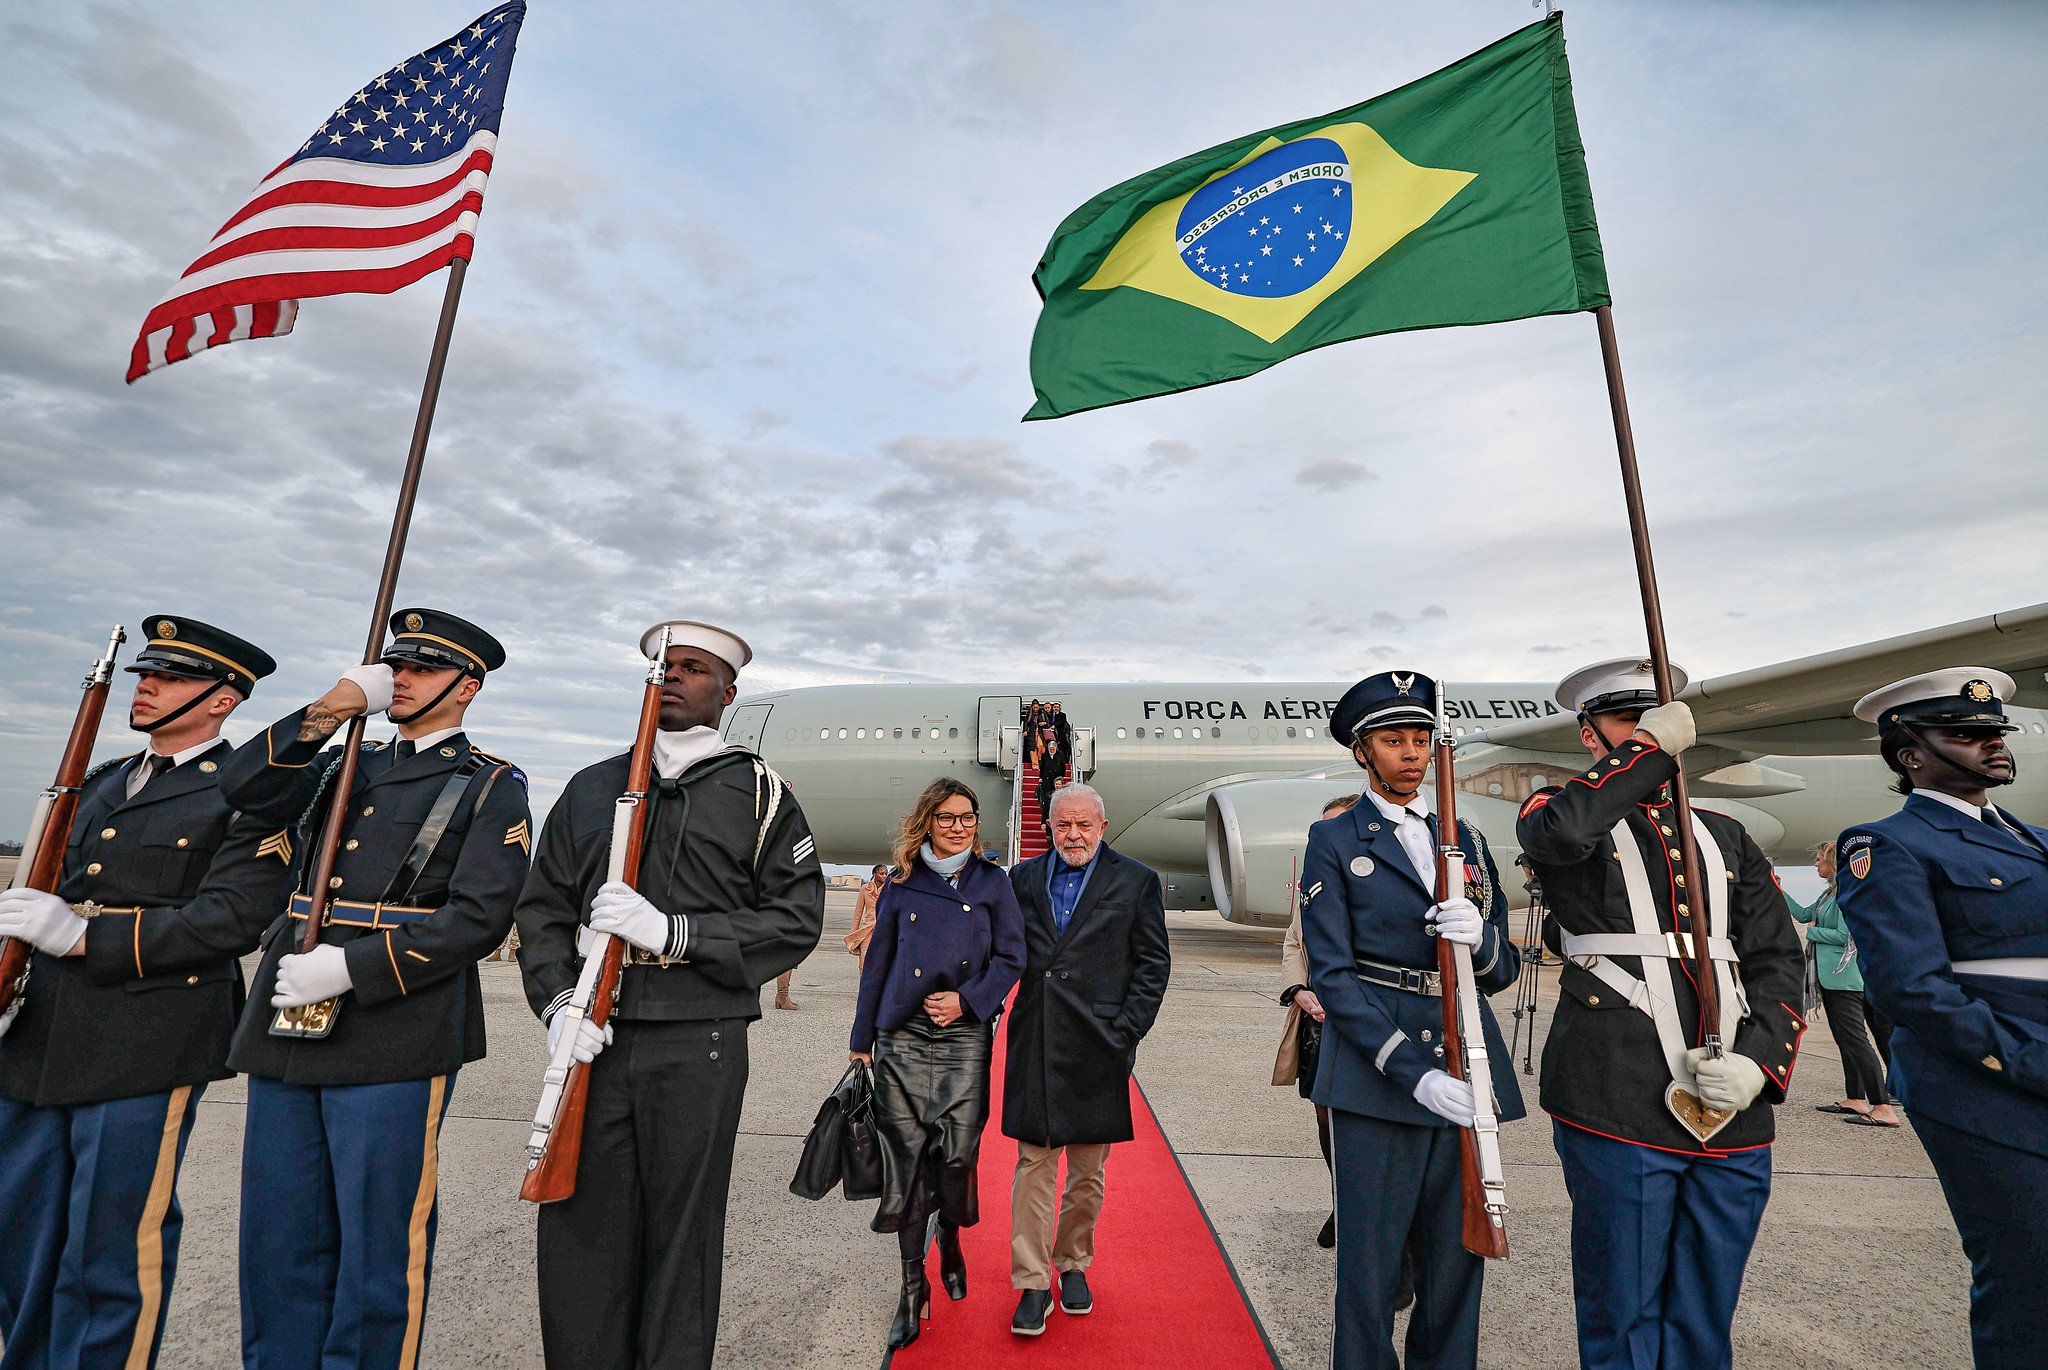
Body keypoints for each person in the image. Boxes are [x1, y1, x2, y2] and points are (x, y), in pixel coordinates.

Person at [216, 607, 530, 1370]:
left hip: (395, 1025)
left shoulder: (491, 785)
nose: (400, 678)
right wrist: (328, 711)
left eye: (420, 667)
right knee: (278, 1236)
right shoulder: (339, 759)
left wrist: (352, 968)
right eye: (394, 666)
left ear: (467, 687)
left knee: (374, 1244)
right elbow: (243, 790)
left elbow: (479, 919)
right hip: (288, 1010)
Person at [514, 620, 824, 1370]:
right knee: (580, 1231)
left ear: (729, 691)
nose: (674, 677)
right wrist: (558, 1004)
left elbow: (795, 918)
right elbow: (542, 909)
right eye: (664, 667)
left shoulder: (760, 793)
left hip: (700, 1037)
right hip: (597, 1033)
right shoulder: (594, 787)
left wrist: (675, 932)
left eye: (693, 668)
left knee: (681, 1237)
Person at [0, 616, 289, 1370]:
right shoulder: (100, 783)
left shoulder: (246, 796)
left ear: (223, 700)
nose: (146, 686)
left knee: (109, 1249)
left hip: (144, 1042)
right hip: (38, 1037)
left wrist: (83, 937)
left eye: (168, 677)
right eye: (142, 675)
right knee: (21, 1242)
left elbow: (234, 919)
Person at [1517, 658, 1804, 1370]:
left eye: (1660, 718)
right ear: (1591, 736)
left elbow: (1776, 959)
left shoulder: (1727, 834)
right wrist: (1644, 751)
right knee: (1624, 1306)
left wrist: (1760, 1064)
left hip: (1732, 1100)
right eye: (1626, 719)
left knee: (1707, 1309)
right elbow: (1559, 837)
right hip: (1616, 1092)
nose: (1650, 732)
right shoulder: (1558, 809)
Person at [1302, 670, 1523, 1370]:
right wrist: (1411, 1072)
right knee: (1367, 1273)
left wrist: (1478, 938)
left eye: (1420, 739)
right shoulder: (1335, 840)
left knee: (1457, 1268)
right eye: (1393, 740)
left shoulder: (1466, 839)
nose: (1411, 753)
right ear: (1363, 752)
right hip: (1380, 1080)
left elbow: (1505, 969)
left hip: (1468, 1063)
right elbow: (1333, 975)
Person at [1835, 669, 2048, 1369]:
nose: (1992, 745)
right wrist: (2029, 1060)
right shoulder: (1887, 843)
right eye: (1967, 733)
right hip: (1988, 1092)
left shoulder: (2036, 840)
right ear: (1910, 754)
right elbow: (1911, 990)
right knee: (2029, 1282)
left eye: (1995, 733)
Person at [849, 778, 1025, 1349]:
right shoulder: (901, 885)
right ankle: (910, 1289)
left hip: (963, 1036)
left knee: (956, 1157)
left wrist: (968, 1000)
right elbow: (878, 964)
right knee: (905, 1168)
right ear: (927, 821)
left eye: (967, 817)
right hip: (901, 1037)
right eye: (947, 817)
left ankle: (949, 1233)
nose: (958, 826)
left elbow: (1011, 955)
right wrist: (862, 1039)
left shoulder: (993, 882)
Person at [1003, 782, 1171, 1336]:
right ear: (1050, 827)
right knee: (1033, 1164)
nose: (1073, 835)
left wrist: (1125, 1032)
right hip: (1038, 1038)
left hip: (1100, 1044)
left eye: (1083, 825)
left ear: (1102, 825)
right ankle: (1031, 1282)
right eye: (1063, 825)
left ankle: (1073, 1263)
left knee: (1087, 1170)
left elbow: (1152, 964)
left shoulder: (1136, 880)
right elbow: (1003, 952)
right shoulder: (1022, 879)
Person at [1275, 794, 1359, 1251]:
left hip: (1361, 1022)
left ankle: (1363, 1208)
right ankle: (1342, 1202)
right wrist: (1299, 991)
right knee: (1325, 1120)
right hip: (1318, 1022)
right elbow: (1293, 942)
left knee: (1359, 1122)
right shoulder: (1314, 884)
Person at [1786, 841, 1899, 1126]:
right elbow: (1802, 914)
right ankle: (1855, 1098)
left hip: (1844, 978)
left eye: (1819, 859)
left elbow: (1846, 936)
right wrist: (1775, 888)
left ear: (1832, 863)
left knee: (1856, 1041)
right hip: (1834, 977)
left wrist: (1813, 935)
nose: (1815, 864)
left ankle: (1883, 1106)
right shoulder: (1829, 895)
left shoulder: (1845, 895)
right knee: (1846, 1040)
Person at [845, 862, 889, 967]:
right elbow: (857, 914)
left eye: (886, 873)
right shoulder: (865, 889)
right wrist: (853, 936)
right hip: (867, 931)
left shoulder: (890, 889)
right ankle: (863, 983)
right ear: (874, 874)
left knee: (881, 965)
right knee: (863, 964)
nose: (884, 876)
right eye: (881, 873)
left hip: (884, 931)